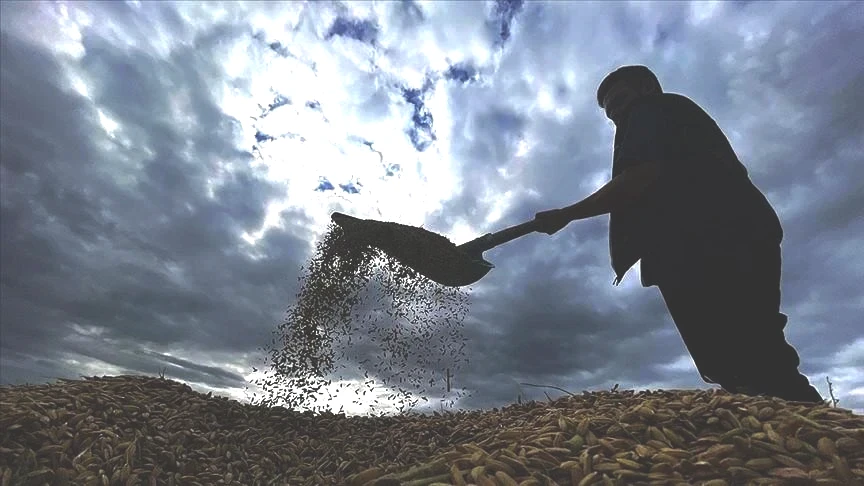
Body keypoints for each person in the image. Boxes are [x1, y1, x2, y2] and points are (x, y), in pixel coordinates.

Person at [533, 65, 824, 403]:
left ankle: (808, 423)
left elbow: (639, 176)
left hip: (716, 236)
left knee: (751, 351)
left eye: (621, 102)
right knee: (736, 358)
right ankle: (780, 422)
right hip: (709, 238)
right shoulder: (658, 120)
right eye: (611, 114)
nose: (618, 115)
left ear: (646, 88)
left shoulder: (654, 109)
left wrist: (567, 214)